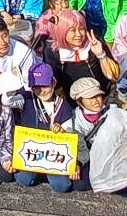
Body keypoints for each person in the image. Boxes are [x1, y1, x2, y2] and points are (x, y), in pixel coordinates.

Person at [69, 76, 127, 195]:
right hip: (89, 158)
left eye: (98, 96)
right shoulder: (74, 120)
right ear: (79, 101)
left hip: (115, 156)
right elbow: (76, 146)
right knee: (81, 185)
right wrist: (76, 163)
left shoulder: (112, 112)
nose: (96, 101)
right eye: (90, 98)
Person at [13, 62, 78, 192]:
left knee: (62, 186)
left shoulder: (64, 105)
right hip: (31, 154)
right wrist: (12, 81)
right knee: (23, 179)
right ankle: (37, 174)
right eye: (36, 87)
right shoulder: (26, 99)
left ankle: (47, 175)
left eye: (45, 85)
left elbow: (71, 132)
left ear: (53, 82)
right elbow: (6, 101)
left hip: (53, 157)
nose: (41, 90)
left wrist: (62, 130)